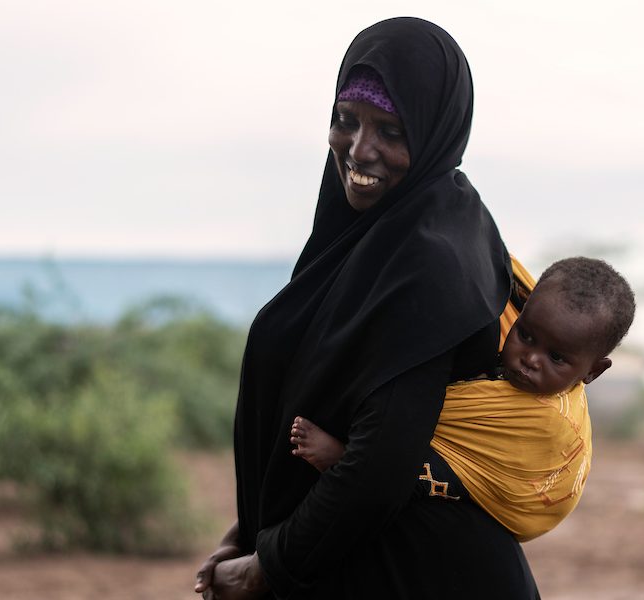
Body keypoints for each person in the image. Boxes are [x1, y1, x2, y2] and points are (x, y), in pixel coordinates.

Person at [195, 17, 540, 600]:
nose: (360, 148)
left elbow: (378, 466)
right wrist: (253, 524)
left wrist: (264, 568)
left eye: (391, 130)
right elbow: (329, 402)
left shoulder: (428, 262)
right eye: (346, 121)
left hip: (416, 572)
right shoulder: (365, 239)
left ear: (435, 133)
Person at [289, 256, 637, 542]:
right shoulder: (518, 309)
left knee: (439, 479)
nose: (531, 358)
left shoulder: (545, 423)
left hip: (524, 494)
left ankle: (348, 460)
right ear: (522, 311)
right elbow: (489, 264)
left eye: (556, 358)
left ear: (591, 373)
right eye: (526, 335)